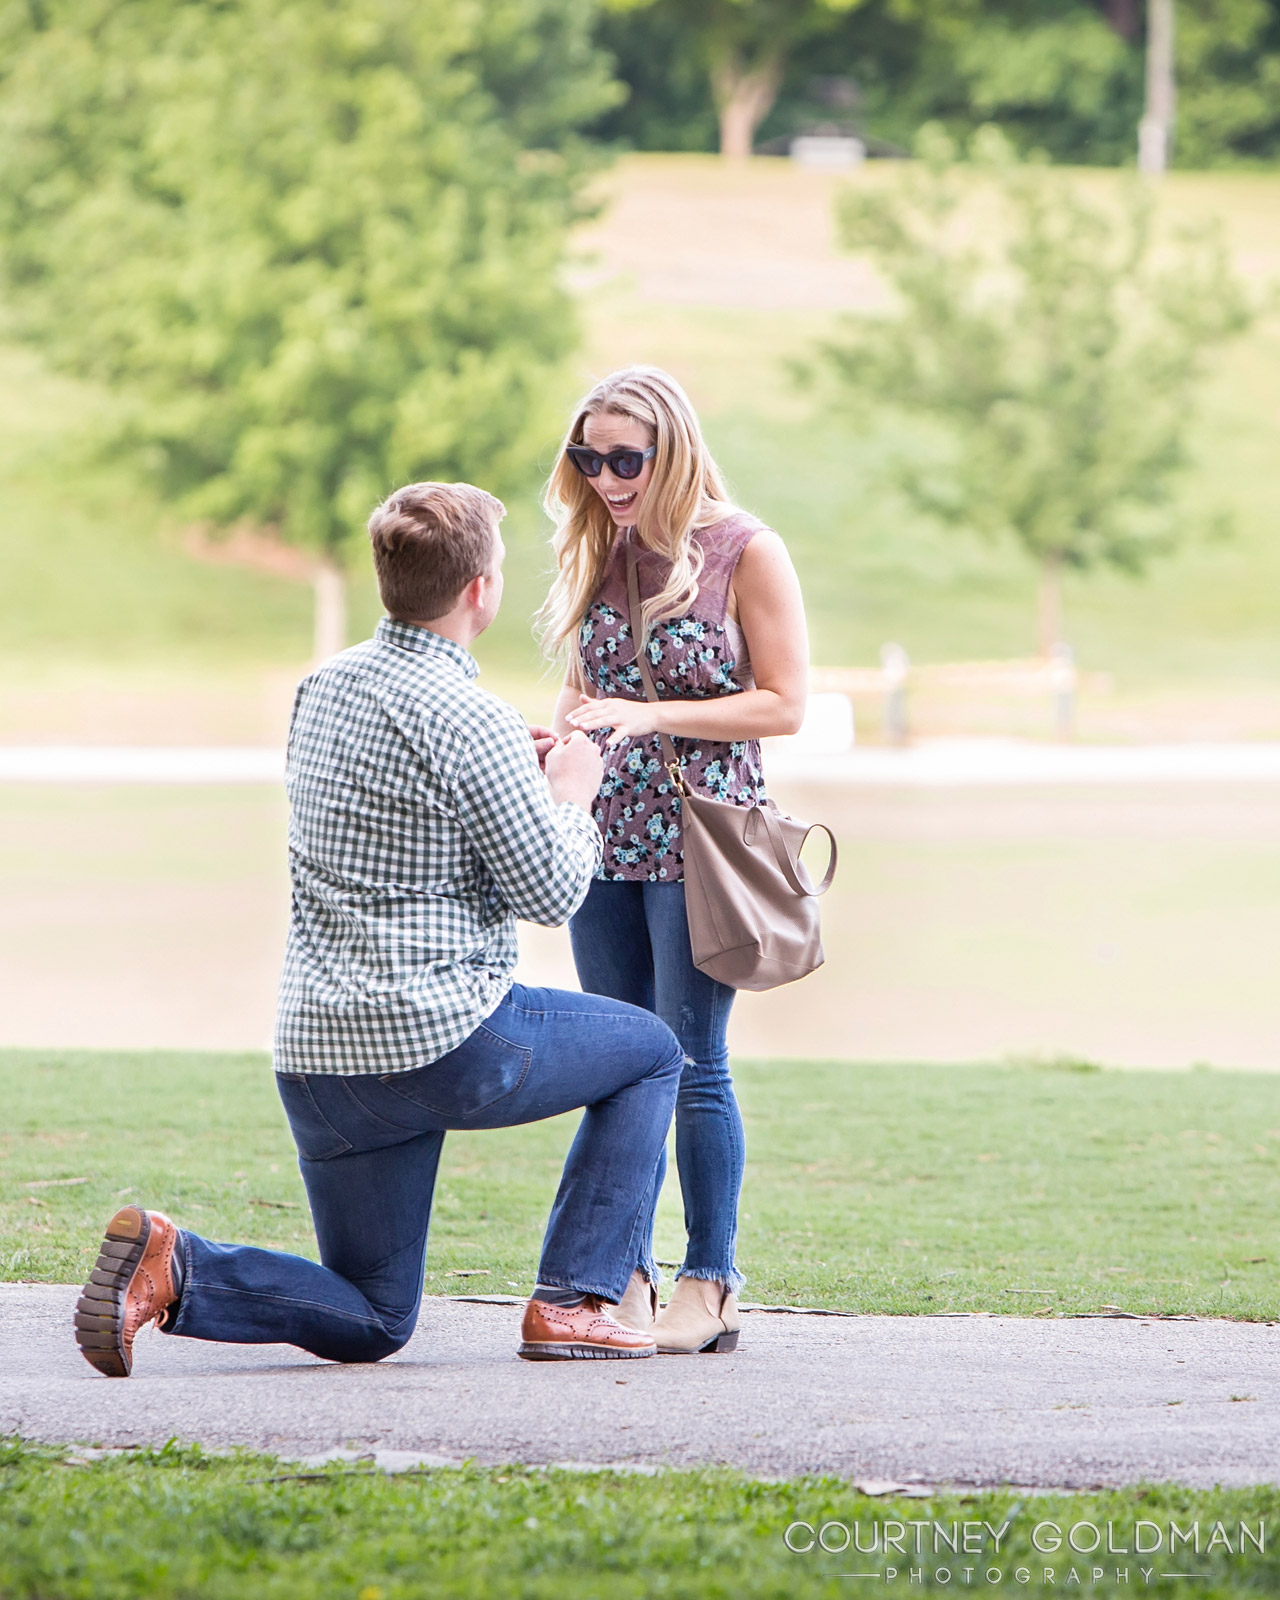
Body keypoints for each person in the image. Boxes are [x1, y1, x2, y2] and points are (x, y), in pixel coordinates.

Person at [73, 481, 685, 1377]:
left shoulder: (320, 689)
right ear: (480, 589)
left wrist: (506, 770)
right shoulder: (468, 717)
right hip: (443, 1043)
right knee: (652, 1051)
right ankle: (574, 1301)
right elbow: (551, 890)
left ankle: (177, 1264)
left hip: (319, 1055)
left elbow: (393, 805)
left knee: (374, 1319)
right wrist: (571, 790)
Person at [540, 367, 809, 1354]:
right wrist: (559, 736)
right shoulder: (596, 548)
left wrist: (654, 716)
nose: (605, 478)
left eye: (624, 459)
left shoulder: (744, 549)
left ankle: (712, 1280)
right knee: (619, 1065)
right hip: (604, 834)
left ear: (673, 450)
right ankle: (626, 1277)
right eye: (587, 458)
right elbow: (584, 691)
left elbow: (783, 703)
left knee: (692, 1062)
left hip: (701, 840)